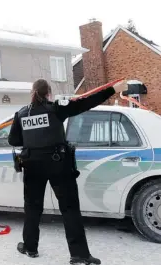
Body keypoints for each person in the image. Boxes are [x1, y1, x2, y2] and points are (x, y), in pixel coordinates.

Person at [8, 78, 127, 265]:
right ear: (48, 93)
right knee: (69, 209)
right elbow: (86, 103)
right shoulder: (56, 108)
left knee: (32, 207)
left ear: (32, 93)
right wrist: (112, 89)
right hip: (58, 164)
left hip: (32, 166)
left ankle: (30, 247)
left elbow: (14, 141)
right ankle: (79, 254)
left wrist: (33, 136)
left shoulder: (21, 114)